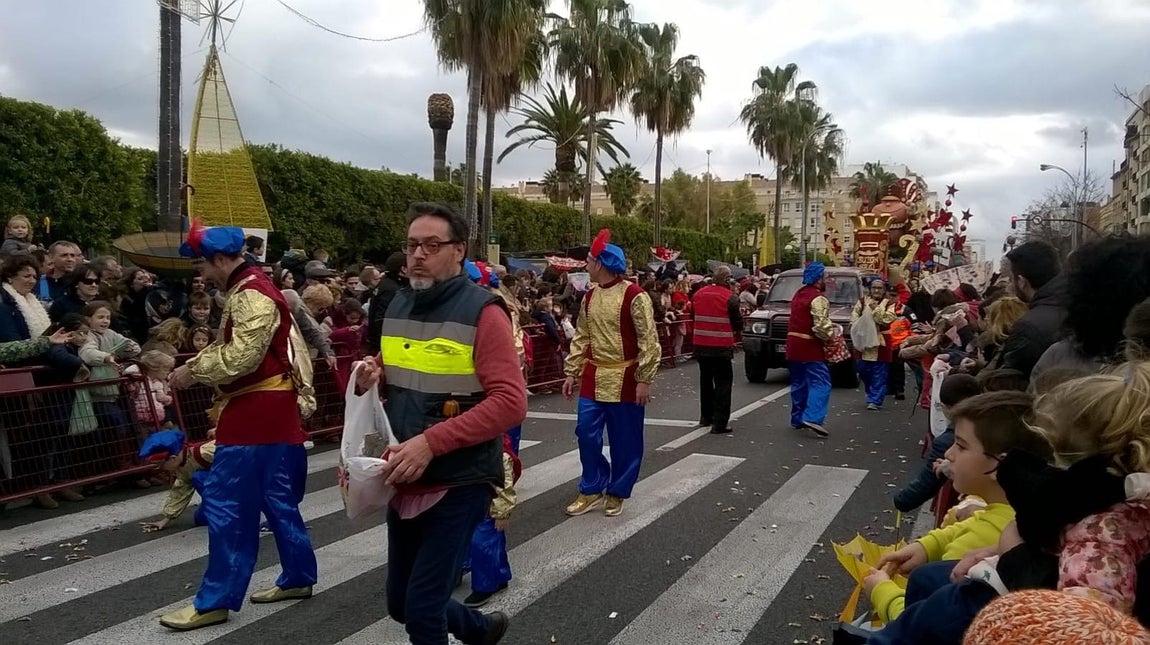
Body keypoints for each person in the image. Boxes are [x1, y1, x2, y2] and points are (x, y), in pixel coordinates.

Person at [355, 202, 526, 644]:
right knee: (400, 603)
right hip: (405, 472)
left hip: (459, 476)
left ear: (459, 251)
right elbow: (405, 366)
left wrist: (431, 442)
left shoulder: (483, 311)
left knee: (423, 610)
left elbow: (510, 401)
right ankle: (482, 629)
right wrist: (370, 374)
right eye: (412, 245)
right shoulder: (398, 304)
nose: (418, 255)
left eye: (432, 245)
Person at [160, 221, 318, 631]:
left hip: (254, 413)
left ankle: (215, 600)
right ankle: (298, 576)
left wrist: (192, 370)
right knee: (277, 499)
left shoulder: (250, 294)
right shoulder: (251, 288)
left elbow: (240, 358)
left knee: (228, 506)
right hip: (270, 409)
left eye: (203, 263)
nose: (201, 272)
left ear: (220, 259)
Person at [863, 391, 1054, 630]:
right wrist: (927, 546)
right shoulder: (1014, 512)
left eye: (961, 446)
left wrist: (882, 592)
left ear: (1003, 466)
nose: (948, 454)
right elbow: (974, 522)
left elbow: (927, 625)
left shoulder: (979, 543)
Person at [562, 229, 660, 518]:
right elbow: (582, 336)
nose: (586, 266)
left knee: (625, 440)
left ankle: (617, 490)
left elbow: (648, 340)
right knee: (586, 434)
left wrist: (644, 379)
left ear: (601, 264)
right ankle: (592, 487)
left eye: (590, 261)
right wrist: (572, 371)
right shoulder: (589, 297)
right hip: (594, 375)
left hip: (626, 377)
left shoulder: (635, 296)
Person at [999, 241, 1064, 378]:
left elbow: (1011, 382)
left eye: (1011, 280)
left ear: (1022, 282)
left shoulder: (1028, 327)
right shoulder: (1081, 306)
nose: (1009, 286)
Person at [691, 265, 743, 434]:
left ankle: (705, 417)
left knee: (705, 381)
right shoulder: (730, 298)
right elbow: (737, 323)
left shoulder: (698, 294)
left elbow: (694, 316)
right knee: (723, 384)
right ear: (727, 279)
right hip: (720, 346)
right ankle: (719, 423)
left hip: (700, 344)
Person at [785, 262, 834, 437]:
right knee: (821, 382)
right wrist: (831, 336)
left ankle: (797, 418)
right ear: (818, 278)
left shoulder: (799, 294)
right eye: (825, 276)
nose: (826, 279)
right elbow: (821, 326)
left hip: (793, 345)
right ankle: (813, 417)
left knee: (798, 382)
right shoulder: (818, 298)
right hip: (810, 346)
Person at [137, 429, 217, 532]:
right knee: (200, 519)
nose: (161, 470)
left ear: (173, 458)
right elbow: (180, 491)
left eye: (160, 466)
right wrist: (165, 520)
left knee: (198, 477)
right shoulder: (182, 467)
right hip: (223, 489)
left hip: (236, 484)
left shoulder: (206, 451)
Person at [851, 278, 898, 410]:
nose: (876, 290)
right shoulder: (861, 301)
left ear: (884, 290)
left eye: (879, 288)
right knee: (863, 369)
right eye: (874, 288)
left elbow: (886, 319)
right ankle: (871, 391)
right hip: (864, 340)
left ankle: (875, 400)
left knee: (880, 371)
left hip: (881, 341)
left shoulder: (889, 304)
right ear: (870, 289)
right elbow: (854, 317)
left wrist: (875, 308)